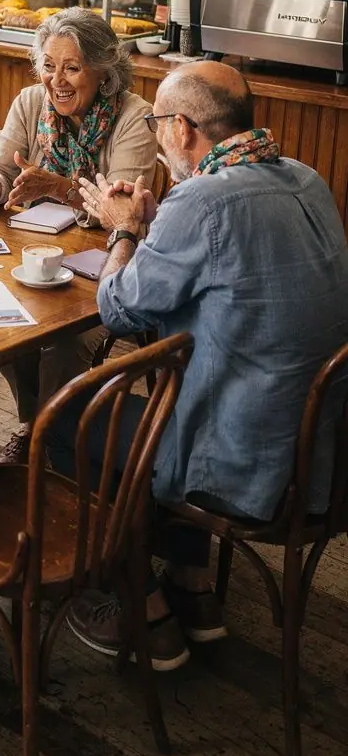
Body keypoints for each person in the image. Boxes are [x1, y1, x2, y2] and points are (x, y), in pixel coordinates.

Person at [62, 61, 348, 672]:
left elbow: (115, 309)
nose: (161, 136)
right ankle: (193, 589)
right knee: (173, 395)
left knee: (74, 424)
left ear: (184, 129)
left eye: (160, 124)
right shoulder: (307, 180)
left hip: (245, 467)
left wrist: (125, 230)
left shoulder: (203, 199)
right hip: (321, 457)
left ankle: (146, 611)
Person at [0, 9, 156, 464]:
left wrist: (59, 188)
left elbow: (122, 213)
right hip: (38, 253)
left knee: (61, 339)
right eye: (48, 65)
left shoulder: (135, 117)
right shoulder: (29, 103)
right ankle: (36, 424)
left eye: (72, 67)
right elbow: (5, 175)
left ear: (104, 72)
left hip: (111, 263)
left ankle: (48, 441)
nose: (55, 80)